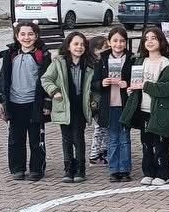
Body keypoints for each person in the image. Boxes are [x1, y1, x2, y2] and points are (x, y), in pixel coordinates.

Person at [121, 27, 169, 187]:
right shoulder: (140, 61)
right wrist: (132, 89)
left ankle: (164, 173)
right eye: (146, 38)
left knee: (161, 143)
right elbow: (137, 85)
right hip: (143, 109)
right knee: (146, 143)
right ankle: (149, 172)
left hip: (161, 110)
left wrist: (146, 85)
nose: (149, 41)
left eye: (153, 38)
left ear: (161, 41)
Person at [0, 21, 52, 181]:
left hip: (34, 104)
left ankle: (36, 169)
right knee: (15, 139)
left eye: (31, 34)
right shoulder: (10, 55)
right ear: (17, 36)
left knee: (36, 139)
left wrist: (47, 103)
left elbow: (49, 80)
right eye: (23, 34)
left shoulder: (43, 56)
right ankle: (17, 168)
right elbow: (3, 78)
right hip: (14, 104)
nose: (27, 37)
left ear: (37, 36)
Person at [42, 31, 95, 184]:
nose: (79, 47)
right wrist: (54, 91)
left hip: (81, 105)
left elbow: (94, 86)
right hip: (64, 105)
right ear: (68, 46)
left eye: (82, 44)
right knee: (66, 138)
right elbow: (46, 79)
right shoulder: (59, 63)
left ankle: (80, 169)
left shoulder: (89, 64)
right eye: (76, 44)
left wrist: (93, 100)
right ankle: (68, 168)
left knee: (78, 137)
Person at [92, 27, 133, 182]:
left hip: (125, 105)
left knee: (124, 137)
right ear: (109, 42)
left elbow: (136, 80)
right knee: (112, 138)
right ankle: (114, 169)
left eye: (122, 41)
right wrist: (102, 82)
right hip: (108, 105)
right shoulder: (102, 60)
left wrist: (127, 83)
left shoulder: (131, 59)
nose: (118, 44)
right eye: (115, 40)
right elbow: (93, 83)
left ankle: (125, 169)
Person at [87, 35, 109, 167]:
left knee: (104, 128)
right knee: (100, 128)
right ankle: (95, 154)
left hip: (102, 101)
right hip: (97, 102)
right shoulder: (94, 64)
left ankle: (102, 152)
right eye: (105, 48)